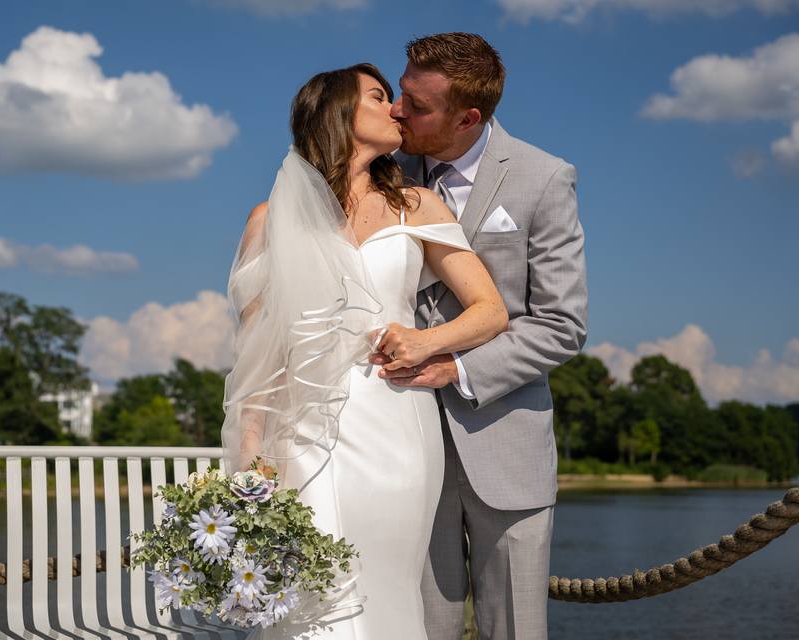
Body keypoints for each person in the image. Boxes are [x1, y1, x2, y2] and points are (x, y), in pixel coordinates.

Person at [221, 63, 509, 639]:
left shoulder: (418, 206)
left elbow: (490, 311)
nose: (396, 109)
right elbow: (257, 355)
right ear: (339, 114)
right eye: (380, 97)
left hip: (394, 424)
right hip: (299, 429)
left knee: (385, 587)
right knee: (308, 597)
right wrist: (248, 461)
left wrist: (426, 341)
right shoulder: (269, 220)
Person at [376, 33, 588, 640]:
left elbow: (561, 324)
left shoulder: (544, 179)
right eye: (399, 94)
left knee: (516, 631)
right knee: (416, 629)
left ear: (468, 117)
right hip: (401, 447)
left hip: (506, 446)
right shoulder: (381, 171)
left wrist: (457, 370)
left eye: (416, 106)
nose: (397, 112)